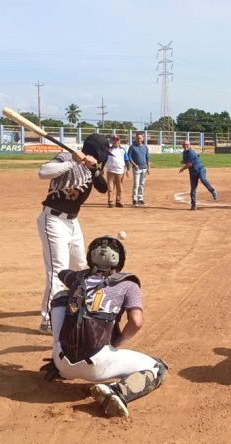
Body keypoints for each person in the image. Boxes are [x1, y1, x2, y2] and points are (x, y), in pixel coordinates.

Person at [40, 235, 168, 418]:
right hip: (98, 364)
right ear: (120, 260)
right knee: (158, 367)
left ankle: (57, 353)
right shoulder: (128, 284)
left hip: (62, 363)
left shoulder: (77, 277)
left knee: (61, 296)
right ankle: (119, 392)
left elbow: (62, 273)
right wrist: (117, 343)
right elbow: (136, 321)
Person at [36, 134, 109, 335]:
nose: (103, 158)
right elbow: (43, 172)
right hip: (53, 219)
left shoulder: (95, 164)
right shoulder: (66, 157)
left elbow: (103, 188)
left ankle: (77, 304)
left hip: (73, 221)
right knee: (58, 271)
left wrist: (93, 168)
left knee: (80, 267)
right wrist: (74, 162)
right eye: (102, 154)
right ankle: (48, 321)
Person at [178, 140, 219, 210]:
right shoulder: (184, 152)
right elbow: (186, 160)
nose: (185, 146)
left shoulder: (191, 152)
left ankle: (213, 191)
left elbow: (189, 164)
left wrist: (182, 169)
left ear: (189, 145)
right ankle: (193, 205)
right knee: (193, 189)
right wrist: (183, 161)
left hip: (200, 169)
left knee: (203, 180)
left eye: (187, 144)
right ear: (182, 146)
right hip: (192, 172)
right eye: (184, 145)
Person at [105, 135, 129, 208]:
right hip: (110, 171)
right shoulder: (108, 150)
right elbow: (104, 159)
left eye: (117, 140)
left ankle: (118, 201)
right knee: (110, 188)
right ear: (112, 141)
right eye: (114, 140)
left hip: (120, 171)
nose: (116, 141)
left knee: (119, 188)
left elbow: (126, 160)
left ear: (119, 141)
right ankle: (110, 202)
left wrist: (128, 169)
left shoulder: (123, 150)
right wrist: (101, 168)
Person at [127, 132, 150, 207]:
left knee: (142, 184)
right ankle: (134, 200)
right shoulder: (132, 147)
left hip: (144, 168)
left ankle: (140, 199)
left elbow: (147, 158)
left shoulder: (145, 147)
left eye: (140, 138)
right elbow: (129, 157)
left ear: (142, 139)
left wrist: (148, 168)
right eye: (137, 138)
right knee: (136, 184)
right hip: (137, 168)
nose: (138, 139)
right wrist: (134, 165)